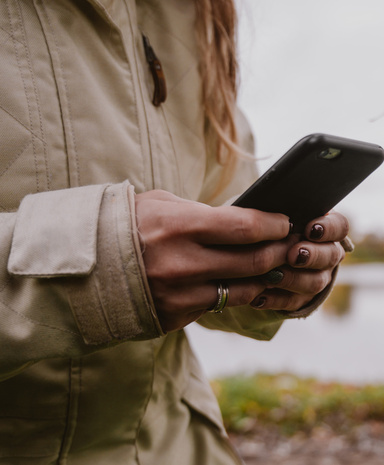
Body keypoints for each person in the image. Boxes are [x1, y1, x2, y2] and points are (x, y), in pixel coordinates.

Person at [0, 0, 350, 463]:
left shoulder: (193, 13)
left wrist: (280, 271)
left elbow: (227, 207)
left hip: (178, 447)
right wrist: (105, 269)